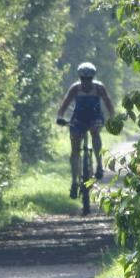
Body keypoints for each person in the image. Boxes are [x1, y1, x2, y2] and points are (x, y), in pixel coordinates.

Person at [56, 62, 116, 199]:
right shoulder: (75, 88)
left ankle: (99, 165)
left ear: (92, 78)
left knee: (95, 132)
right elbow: (64, 104)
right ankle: (74, 182)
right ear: (80, 78)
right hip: (78, 118)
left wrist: (112, 118)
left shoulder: (99, 88)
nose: (86, 81)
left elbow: (108, 103)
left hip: (95, 117)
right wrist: (60, 117)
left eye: (88, 79)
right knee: (75, 148)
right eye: (83, 78)